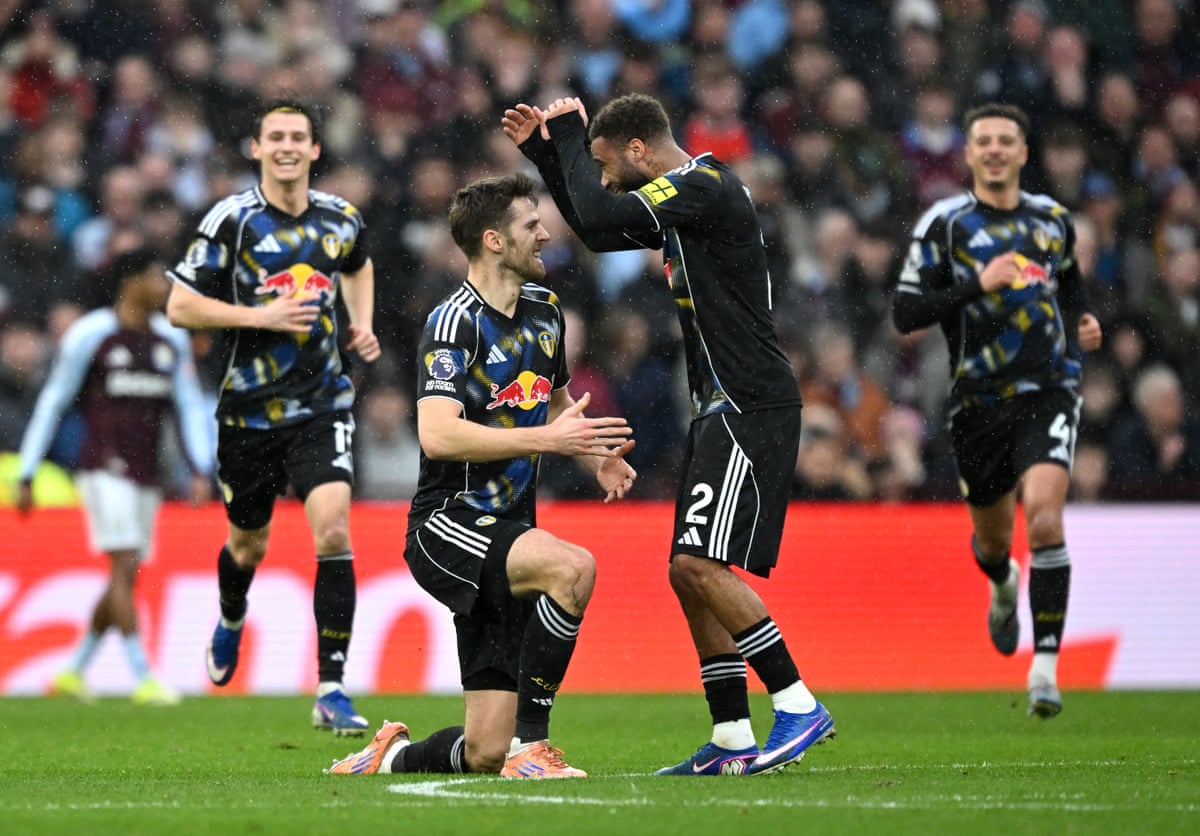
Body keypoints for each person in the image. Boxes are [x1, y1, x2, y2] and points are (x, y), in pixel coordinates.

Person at [502, 92, 835, 776]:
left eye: (601, 163)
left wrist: (564, 133)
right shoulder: (686, 202)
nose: (597, 178)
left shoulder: (702, 185)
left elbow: (595, 219)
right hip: (720, 403)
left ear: (636, 150)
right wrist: (546, 153)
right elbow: (597, 227)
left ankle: (798, 702)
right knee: (687, 573)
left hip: (749, 403)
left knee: (696, 564)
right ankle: (733, 736)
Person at [326, 172, 636, 779]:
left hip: (510, 528)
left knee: (481, 751)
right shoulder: (453, 325)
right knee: (573, 568)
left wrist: (592, 452)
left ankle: (389, 756)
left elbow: (553, 402)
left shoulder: (546, 312)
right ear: (493, 240)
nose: (545, 234)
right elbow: (438, 435)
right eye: (531, 225)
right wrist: (550, 438)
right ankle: (534, 750)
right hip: (450, 524)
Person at [165, 97, 382, 735]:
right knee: (248, 542)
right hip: (248, 414)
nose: (287, 146)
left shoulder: (340, 218)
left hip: (321, 403)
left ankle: (332, 687)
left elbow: (359, 265)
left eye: (298, 137)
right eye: (275, 137)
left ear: (315, 150)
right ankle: (232, 615)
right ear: (256, 149)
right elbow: (180, 307)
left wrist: (361, 323)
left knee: (334, 531)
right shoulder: (231, 221)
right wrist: (259, 316)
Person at [892, 102, 1104, 718]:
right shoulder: (945, 224)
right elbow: (906, 314)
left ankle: (1044, 668)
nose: (993, 150)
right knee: (992, 543)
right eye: (982, 140)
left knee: (1043, 521)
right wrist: (975, 286)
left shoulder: (1053, 220)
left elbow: (1069, 287)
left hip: (1049, 390)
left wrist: (1082, 321)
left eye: (1005, 141)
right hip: (977, 403)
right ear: (968, 153)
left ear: (1022, 153)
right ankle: (1004, 583)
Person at [16, 247, 214, 706]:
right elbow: (54, 399)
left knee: (126, 573)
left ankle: (73, 670)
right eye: (154, 278)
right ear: (130, 283)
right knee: (124, 563)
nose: (164, 288)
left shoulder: (171, 341)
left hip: (146, 475)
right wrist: (28, 468)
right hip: (102, 469)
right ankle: (143, 675)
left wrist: (199, 468)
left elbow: (186, 406)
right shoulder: (92, 334)